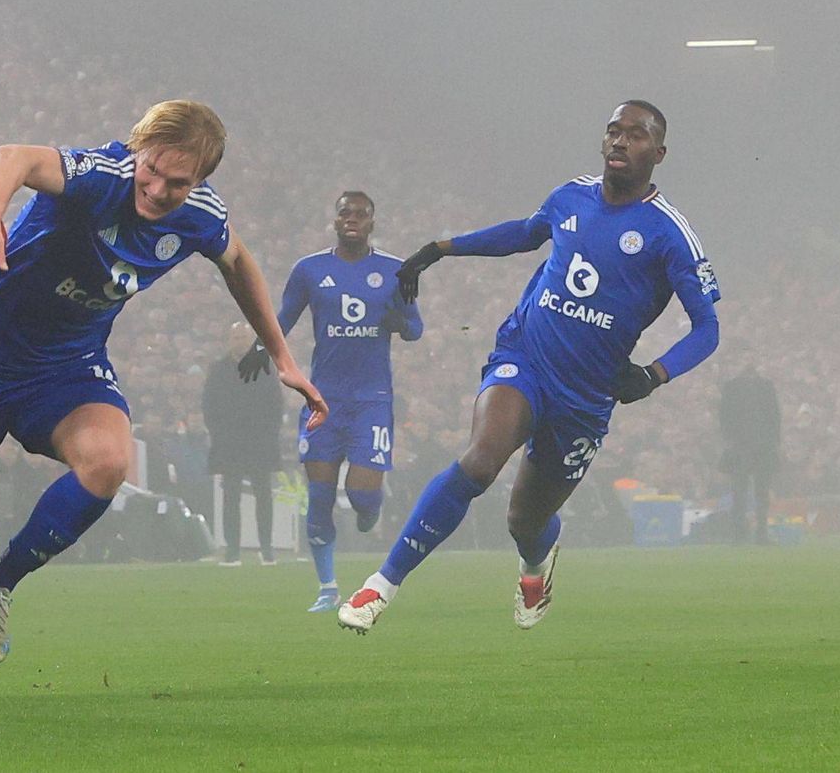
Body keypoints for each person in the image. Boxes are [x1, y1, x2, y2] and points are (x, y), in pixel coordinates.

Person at [0, 101, 325, 666]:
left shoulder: (200, 214)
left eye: (178, 182)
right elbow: (14, 157)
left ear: (200, 180)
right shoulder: (101, 175)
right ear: (137, 149)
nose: (156, 189)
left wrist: (282, 356)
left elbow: (239, 260)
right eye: (151, 169)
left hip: (66, 366)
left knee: (108, 463)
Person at [333, 100, 718, 635]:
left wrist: (655, 374)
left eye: (635, 135)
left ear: (659, 152)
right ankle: (381, 585)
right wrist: (441, 249)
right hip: (525, 359)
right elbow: (523, 233)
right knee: (479, 462)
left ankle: (537, 563)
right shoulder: (570, 196)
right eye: (613, 131)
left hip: (585, 398)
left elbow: (708, 329)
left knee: (525, 521)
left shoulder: (668, 233)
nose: (620, 142)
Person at [274, 188, 422, 610]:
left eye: (360, 213)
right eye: (345, 213)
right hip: (323, 399)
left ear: (372, 222)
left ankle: (370, 510)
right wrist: (258, 350)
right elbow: (283, 318)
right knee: (319, 498)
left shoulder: (396, 270)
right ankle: (326, 588)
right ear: (335, 221)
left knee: (360, 495)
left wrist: (399, 321)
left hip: (373, 400)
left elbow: (415, 328)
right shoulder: (309, 270)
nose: (352, 218)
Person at [198, 340, 287, 567]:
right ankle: (233, 551)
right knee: (231, 497)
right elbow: (209, 404)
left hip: (260, 443)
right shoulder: (219, 369)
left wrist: (269, 434)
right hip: (230, 444)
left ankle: (267, 549)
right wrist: (218, 433)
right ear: (230, 341)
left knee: (264, 496)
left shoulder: (265, 365)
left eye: (243, 338)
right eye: (236, 338)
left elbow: (276, 404)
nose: (240, 343)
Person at [713, 367, 783, 545]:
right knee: (739, 492)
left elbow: (774, 415)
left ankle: (761, 534)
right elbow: (725, 415)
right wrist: (731, 440)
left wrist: (775, 441)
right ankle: (739, 535)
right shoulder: (732, 387)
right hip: (740, 445)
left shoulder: (766, 386)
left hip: (764, 445)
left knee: (762, 493)